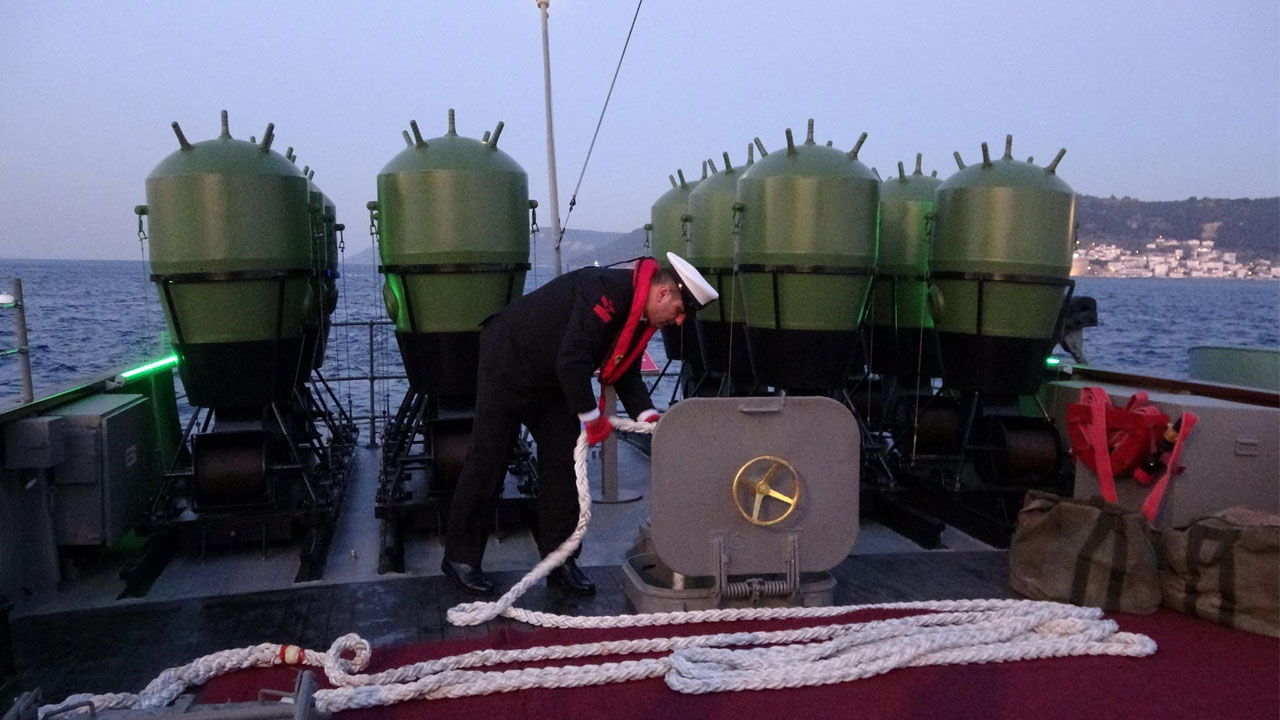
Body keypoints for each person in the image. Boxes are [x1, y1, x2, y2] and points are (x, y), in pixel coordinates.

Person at [441, 252, 718, 596]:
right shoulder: (603, 293)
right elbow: (573, 358)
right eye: (680, 311)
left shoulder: (639, 316)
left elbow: (626, 371)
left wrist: (650, 419)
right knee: (489, 460)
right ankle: (460, 559)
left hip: (555, 381)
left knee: (563, 468)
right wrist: (592, 418)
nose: (678, 322)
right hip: (510, 362)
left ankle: (561, 563)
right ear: (663, 293)